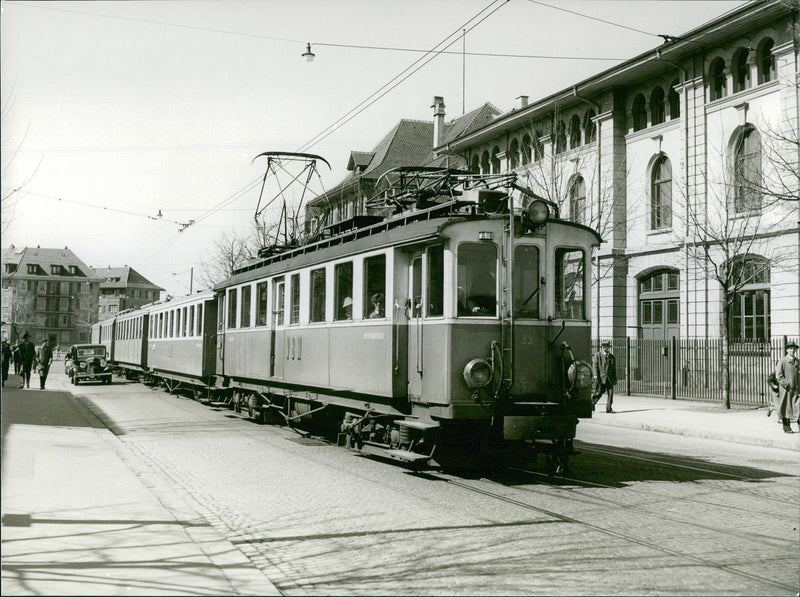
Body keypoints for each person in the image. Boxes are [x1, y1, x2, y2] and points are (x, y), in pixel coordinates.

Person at [775, 341, 799, 434]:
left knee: (798, 408)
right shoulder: (783, 361)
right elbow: (779, 376)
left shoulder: (797, 361)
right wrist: (786, 384)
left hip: (796, 389)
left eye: (794, 348)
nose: (792, 350)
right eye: (790, 348)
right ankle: (786, 428)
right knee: (786, 408)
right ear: (787, 350)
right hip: (786, 390)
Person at [591, 340, 617, 413]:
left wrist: (615, 379)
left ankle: (609, 409)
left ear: (608, 347)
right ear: (602, 347)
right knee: (598, 393)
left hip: (609, 379)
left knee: (610, 394)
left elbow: (613, 369)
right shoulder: (597, 355)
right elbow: (595, 366)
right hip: (600, 378)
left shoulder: (612, 357)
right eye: (603, 346)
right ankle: (591, 403)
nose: (604, 347)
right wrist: (595, 375)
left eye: (606, 346)